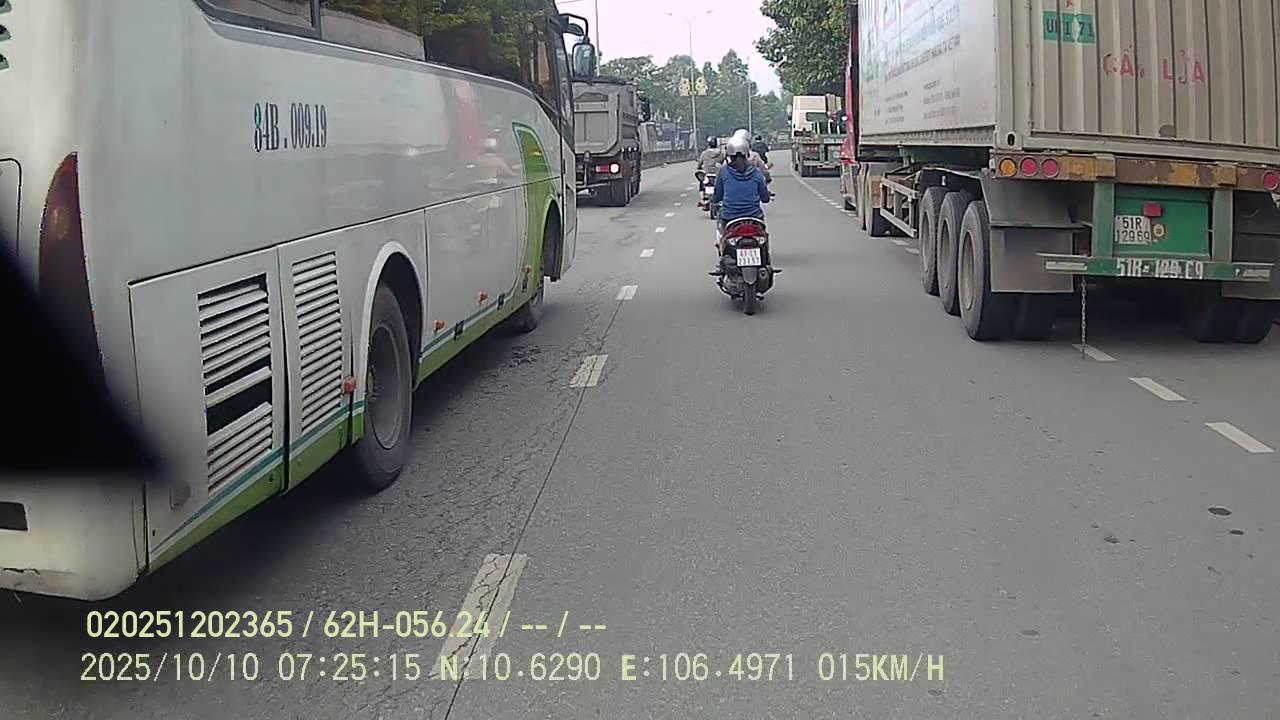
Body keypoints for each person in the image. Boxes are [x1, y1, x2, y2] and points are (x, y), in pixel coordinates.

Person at [710, 136, 771, 272]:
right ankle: (766, 261)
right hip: (754, 217)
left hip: (730, 217)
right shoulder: (756, 173)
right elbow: (765, 198)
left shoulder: (724, 172)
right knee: (764, 237)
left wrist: (714, 200)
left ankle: (722, 257)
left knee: (722, 233)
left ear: (729, 155)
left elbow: (717, 196)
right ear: (747, 153)